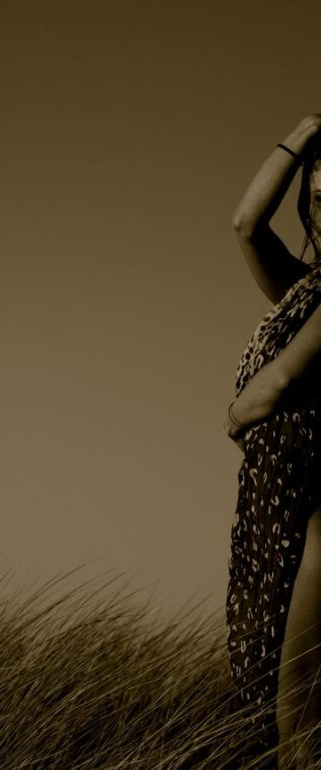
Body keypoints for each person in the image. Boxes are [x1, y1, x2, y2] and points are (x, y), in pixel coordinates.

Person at [223, 113, 321, 769]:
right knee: (277, 726)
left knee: (301, 733)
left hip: (314, 515)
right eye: (318, 196)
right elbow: (246, 225)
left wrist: (237, 412)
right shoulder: (305, 289)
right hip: (275, 513)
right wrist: (305, 132)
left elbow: (274, 387)